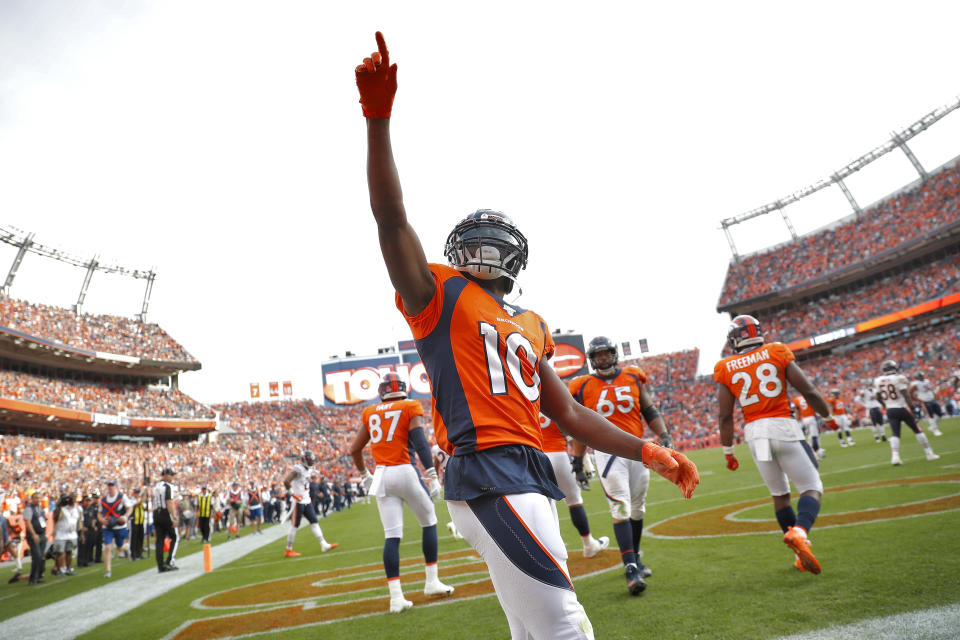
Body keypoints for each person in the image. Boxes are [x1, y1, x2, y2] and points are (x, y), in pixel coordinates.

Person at [355, 31, 698, 639]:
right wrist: (378, 119)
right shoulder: (439, 293)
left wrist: (647, 450)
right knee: (566, 625)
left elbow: (565, 410)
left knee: (535, 628)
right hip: (486, 469)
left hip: (529, 468)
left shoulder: (532, 323)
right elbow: (391, 221)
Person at [715, 315, 838, 574]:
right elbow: (809, 391)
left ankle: (798, 553)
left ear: (736, 338)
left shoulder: (726, 366)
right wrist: (828, 417)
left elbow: (725, 415)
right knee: (812, 486)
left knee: (780, 496)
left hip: (755, 433)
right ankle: (801, 532)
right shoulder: (776, 350)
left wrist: (728, 451)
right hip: (782, 425)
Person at [567, 336, 673, 593]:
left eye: (606, 353)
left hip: (638, 450)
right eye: (598, 355)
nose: (603, 358)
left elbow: (649, 410)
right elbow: (580, 429)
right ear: (592, 360)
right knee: (621, 508)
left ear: (614, 354)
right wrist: (579, 462)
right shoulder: (581, 385)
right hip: (608, 453)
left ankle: (635, 555)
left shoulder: (633, 376)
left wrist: (664, 434)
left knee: (637, 508)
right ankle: (630, 568)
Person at [350, 372, 455, 613]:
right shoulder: (410, 405)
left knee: (392, 536)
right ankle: (431, 581)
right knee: (429, 520)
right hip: (404, 470)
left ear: (382, 391)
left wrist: (366, 476)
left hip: (382, 476)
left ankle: (396, 598)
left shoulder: (370, 412)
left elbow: (355, 449)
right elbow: (418, 440)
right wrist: (431, 474)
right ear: (403, 388)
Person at [538, 412, 609, 560]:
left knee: (543, 506)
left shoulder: (527, 398)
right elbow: (572, 435)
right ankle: (589, 544)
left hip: (536, 458)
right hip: (559, 456)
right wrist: (585, 461)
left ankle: (548, 548)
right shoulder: (552, 400)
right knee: (574, 502)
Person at [874, 361, 939, 465]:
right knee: (917, 430)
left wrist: (885, 405)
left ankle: (895, 457)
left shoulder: (878, 380)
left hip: (890, 410)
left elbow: (877, 397)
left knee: (895, 433)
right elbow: (906, 395)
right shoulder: (899, 378)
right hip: (902, 407)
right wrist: (913, 409)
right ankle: (929, 453)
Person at [282, 451, 338, 557]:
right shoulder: (297, 469)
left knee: (314, 522)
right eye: (309, 459)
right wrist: (293, 494)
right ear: (304, 460)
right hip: (298, 501)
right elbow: (286, 481)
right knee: (295, 525)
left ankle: (324, 544)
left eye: (312, 459)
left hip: (307, 500)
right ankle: (288, 550)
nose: (311, 461)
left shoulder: (309, 469)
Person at [99, 480, 131, 579]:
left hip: (119, 526)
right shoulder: (103, 500)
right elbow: (99, 513)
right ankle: (108, 570)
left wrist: (125, 516)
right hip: (108, 527)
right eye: (109, 485)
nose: (110, 487)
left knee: (120, 547)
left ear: (116, 487)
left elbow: (129, 508)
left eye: (112, 485)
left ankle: (125, 548)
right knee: (108, 547)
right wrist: (101, 520)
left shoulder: (122, 497)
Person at [152, 468, 180, 572]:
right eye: (171, 475)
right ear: (166, 475)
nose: (172, 477)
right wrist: (174, 517)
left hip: (156, 513)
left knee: (159, 540)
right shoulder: (168, 487)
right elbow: (169, 502)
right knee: (174, 536)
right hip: (165, 513)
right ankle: (169, 561)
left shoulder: (156, 487)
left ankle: (160, 565)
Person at [52, 491, 80, 576]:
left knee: (69, 552)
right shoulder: (61, 509)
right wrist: (60, 505)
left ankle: (68, 568)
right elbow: (56, 518)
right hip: (61, 534)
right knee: (60, 553)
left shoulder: (77, 508)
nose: (70, 500)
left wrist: (80, 532)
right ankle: (59, 570)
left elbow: (79, 521)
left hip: (72, 534)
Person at [23, 490, 47, 585]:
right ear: (32, 499)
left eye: (39, 498)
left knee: (41, 556)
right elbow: (28, 522)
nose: (38, 500)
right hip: (34, 535)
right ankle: (33, 578)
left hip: (41, 534)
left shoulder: (40, 508)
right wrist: (33, 534)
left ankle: (38, 576)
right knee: (37, 556)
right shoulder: (29, 508)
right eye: (36, 498)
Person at [130, 488, 148, 560]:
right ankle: (133, 554)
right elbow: (138, 504)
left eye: (138, 493)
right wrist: (144, 496)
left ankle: (139, 553)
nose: (137, 494)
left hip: (141, 521)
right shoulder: (131, 500)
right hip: (134, 521)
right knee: (134, 538)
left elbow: (144, 507)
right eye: (136, 493)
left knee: (140, 538)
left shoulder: (140, 500)